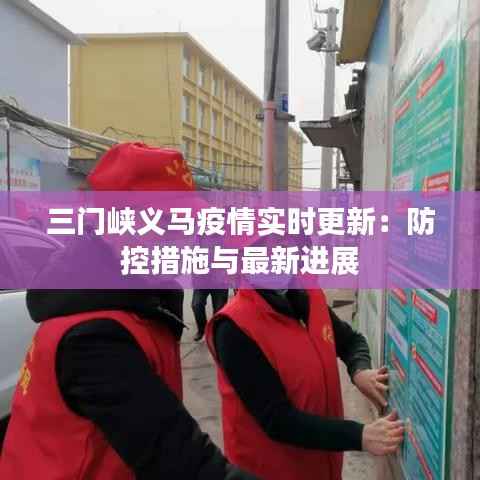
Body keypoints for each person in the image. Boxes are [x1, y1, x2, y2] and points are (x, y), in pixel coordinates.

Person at [0, 143, 258, 480]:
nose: (179, 236)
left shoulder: (140, 297)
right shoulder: (93, 336)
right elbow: (184, 462)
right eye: (163, 221)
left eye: (186, 222)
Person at [206, 288, 404, 480]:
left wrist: (360, 371)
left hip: (321, 468)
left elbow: (351, 341)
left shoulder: (309, 298)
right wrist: (360, 435)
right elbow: (278, 420)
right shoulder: (233, 327)